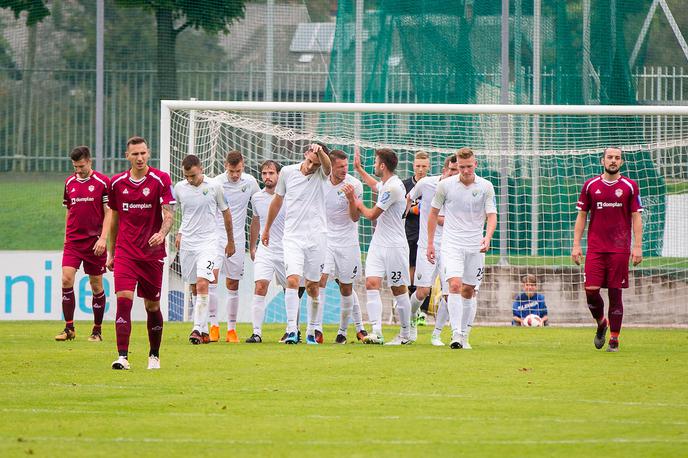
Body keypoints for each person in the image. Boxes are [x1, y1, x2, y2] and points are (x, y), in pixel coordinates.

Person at [107, 136, 175, 370]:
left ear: (149, 153)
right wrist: (111, 251)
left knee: (152, 306)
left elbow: (169, 215)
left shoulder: (160, 180)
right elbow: (114, 218)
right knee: (123, 301)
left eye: (143, 153)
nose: (139, 157)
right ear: (127, 156)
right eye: (135, 154)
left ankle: (154, 355)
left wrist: (162, 233)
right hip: (125, 252)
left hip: (151, 254)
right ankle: (122, 357)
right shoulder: (116, 183)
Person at [572, 147, 643, 352]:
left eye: (617, 158)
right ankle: (601, 322)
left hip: (619, 249)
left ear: (622, 162)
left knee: (615, 293)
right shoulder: (590, 185)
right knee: (591, 292)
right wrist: (576, 244)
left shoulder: (630, 186)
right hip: (595, 249)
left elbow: (636, 217)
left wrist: (637, 247)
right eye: (610, 157)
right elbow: (582, 216)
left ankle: (614, 338)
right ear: (602, 160)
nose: (613, 161)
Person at [262, 142, 331, 344]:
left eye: (316, 162)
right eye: (311, 159)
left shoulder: (322, 173)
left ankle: (311, 331)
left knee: (312, 286)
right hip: (292, 237)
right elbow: (277, 201)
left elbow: (327, 167)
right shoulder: (288, 172)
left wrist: (321, 153)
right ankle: (292, 329)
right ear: (305, 153)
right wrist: (266, 228)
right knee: (292, 280)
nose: (312, 166)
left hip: (317, 237)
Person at [427, 147, 497, 350]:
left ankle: (465, 334)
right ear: (456, 165)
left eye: (469, 166)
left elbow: (491, 215)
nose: (465, 170)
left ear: (475, 164)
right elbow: (433, 214)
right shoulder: (445, 186)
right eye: (461, 166)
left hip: (475, 245)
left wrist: (488, 237)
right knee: (454, 286)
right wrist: (431, 243)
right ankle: (456, 334)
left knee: (469, 290)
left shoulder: (486, 186)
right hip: (452, 244)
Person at [353, 147, 412, 345]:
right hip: (378, 243)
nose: (374, 165)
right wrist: (359, 170)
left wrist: (355, 201)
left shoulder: (393, 188)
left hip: (395, 246)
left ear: (382, 165)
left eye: (376, 162)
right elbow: (374, 185)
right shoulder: (387, 184)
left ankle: (405, 334)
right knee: (371, 283)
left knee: (398, 289)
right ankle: (376, 332)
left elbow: (370, 215)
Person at [173, 154, 234, 345]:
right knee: (193, 287)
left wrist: (230, 241)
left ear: (201, 169)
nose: (190, 179)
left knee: (202, 284)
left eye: (193, 175)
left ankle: (197, 329)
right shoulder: (179, 188)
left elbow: (226, 214)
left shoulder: (214, 186)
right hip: (188, 244)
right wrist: (179, 232)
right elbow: (177, 214)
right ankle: (205, 330)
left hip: (209, 243)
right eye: (187, 176)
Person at [56, 146, 111, 342]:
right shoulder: (69, 182)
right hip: (73, 241)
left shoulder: (103, 182)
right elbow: (69, 211)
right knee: (66, 279)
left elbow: (109, 212)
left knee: (96, 285)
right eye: (75, 166)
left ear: (89, 162)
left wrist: (103, 238)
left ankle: (97, 331)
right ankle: (69, 328)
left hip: (94, 242)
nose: (78, 170)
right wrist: (66, 236)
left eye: (81, 166)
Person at [407, 154, 459, 343]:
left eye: (458, 170)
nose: (455, 174)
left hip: (450, 247)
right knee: (422, 292)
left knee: (449, 293)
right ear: (445, 170)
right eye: (452, 170)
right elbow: (409, 198)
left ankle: (437, 334)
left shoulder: (461, 190)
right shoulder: (426, 184)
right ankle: (411, 319)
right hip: (425, 246)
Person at [211, 151, 260, 343]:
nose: (235, 175)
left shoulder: (250, 182)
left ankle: (231, 329)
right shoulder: (216, 183)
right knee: (212, 278)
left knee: (232, 284)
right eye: (232, 171)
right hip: (216, 237)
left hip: (238, 239)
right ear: (225, 166)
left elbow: (260, 206)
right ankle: (213, 326)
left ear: (243, 166)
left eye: (238, 171)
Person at [321, 149, 369, 344]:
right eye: (340, 166)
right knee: (320, 280)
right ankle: (315, 330)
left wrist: (350, 200)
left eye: (346, 166)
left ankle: (343, 332)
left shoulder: (354, 185)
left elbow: (356, 217)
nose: (344, 170)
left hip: (348, 242)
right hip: (325, 241)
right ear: (331, 166)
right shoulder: (320, 182)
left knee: (346, 287)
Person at [246, 160, 287, 343]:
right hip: (265, 249)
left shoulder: (289, 196)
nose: (267, 177)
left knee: (291, 290)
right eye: (264, 173)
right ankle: (256, 333)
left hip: (287, 249)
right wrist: (252, 245)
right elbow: (255, 221)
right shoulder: (257, 198)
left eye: (271, 173)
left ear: (279, 175)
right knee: (260, 286)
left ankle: (292, 330)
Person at [403, 151, 431, 324]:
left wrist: (418, 209)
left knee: (425, 272)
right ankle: (408, 308)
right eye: (418, 166)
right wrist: (413, 209)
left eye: (424, 166)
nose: (420, 169)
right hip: (409, 232)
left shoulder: (432, 184)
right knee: (410, 271)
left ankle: (423, 311)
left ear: (428, 167)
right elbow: (402, 208)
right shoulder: (404, 184)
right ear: (413, 166)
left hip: (427, 234)